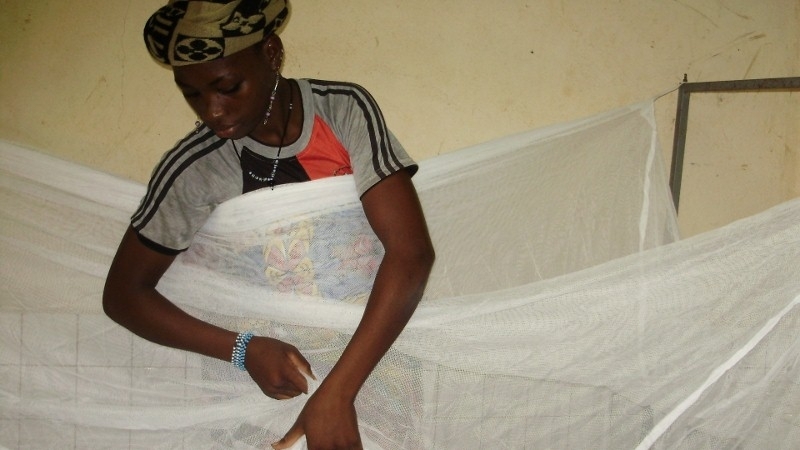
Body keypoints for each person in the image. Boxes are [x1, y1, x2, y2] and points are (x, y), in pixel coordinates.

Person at [102, 1, 434, 448]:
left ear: (271, 54)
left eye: (228, 87)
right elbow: (124, 295)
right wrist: (243, 350)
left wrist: (337, 394)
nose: (212, 111)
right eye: (192, 94)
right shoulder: (196, 168)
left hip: (371, 364)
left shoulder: (339, 112)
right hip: (262, 383)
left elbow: (411, 253)